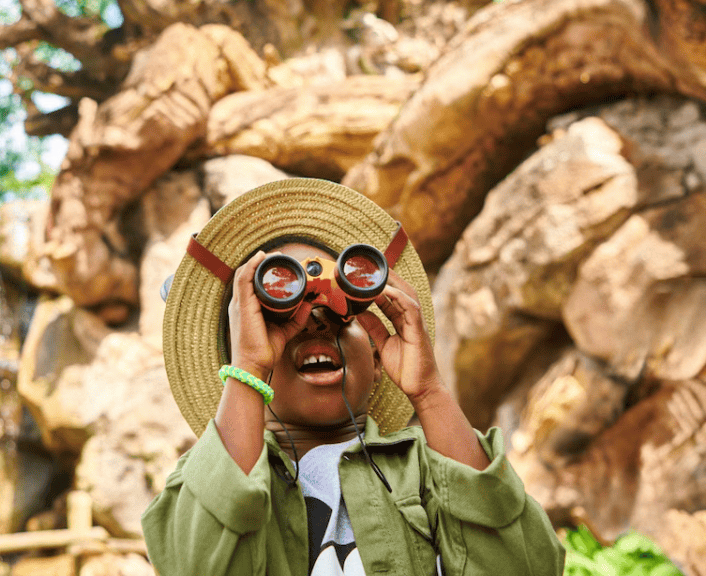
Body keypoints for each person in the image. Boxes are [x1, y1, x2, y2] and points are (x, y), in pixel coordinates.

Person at [141, 179, 565, 576]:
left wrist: (430, 392)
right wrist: (249, 366)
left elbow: (527, 566)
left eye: (338, 313)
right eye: (281, 319)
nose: (315, 323)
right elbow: (193, 564)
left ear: (377, 359)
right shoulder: (206, 481)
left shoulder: (430, 468)